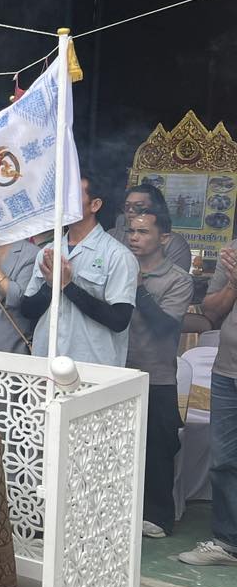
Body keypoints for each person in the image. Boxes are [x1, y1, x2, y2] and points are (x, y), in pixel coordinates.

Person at [123, 211, 193, 539]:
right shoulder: (122, 268)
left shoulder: (179, 279)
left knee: (157, 448)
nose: (134, 237)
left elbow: (166, 326)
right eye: (131, 231)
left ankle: (159, 517)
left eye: (143, 232)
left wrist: (139, 290)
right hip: (119, 372)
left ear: (164, 238)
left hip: (157, 375)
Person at [19, 175, 138, 368]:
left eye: (72, 196)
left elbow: (119, 320)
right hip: (47, 361)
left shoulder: (118, 256)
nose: (63, 202)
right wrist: (50, 286)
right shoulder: (48, 251)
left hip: (92, 366)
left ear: (95, 205)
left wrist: (68, 286)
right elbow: (28, 310)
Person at [178, 241, 237, 567]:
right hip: (227, 368)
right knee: (223, 459)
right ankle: (228, 542)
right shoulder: (234, 251)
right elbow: (211, 311)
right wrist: (233, 284)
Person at [116, 181, 193, 275]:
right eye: (127, 206)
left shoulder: (175, 243)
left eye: (138, 206)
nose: (131, 210)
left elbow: (176, 277)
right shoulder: (113, 236)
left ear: (155, 208)